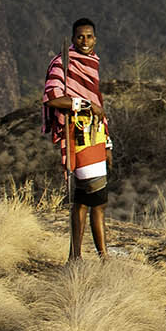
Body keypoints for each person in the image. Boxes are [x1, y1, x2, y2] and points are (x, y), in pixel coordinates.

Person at [43, 18, 111, 261]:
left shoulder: (92, 62)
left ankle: (76, 257)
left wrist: (108, 142)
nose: (85, 41)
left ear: (95, 38)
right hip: (78, 137)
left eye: (89, 36)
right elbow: (52, 98)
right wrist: (84, 104)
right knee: (96, 199)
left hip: (97, 137)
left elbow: (98, 102)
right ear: (72, 38)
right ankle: (101, 258)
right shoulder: (62, 63)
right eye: (80, 37)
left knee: (85, 201)